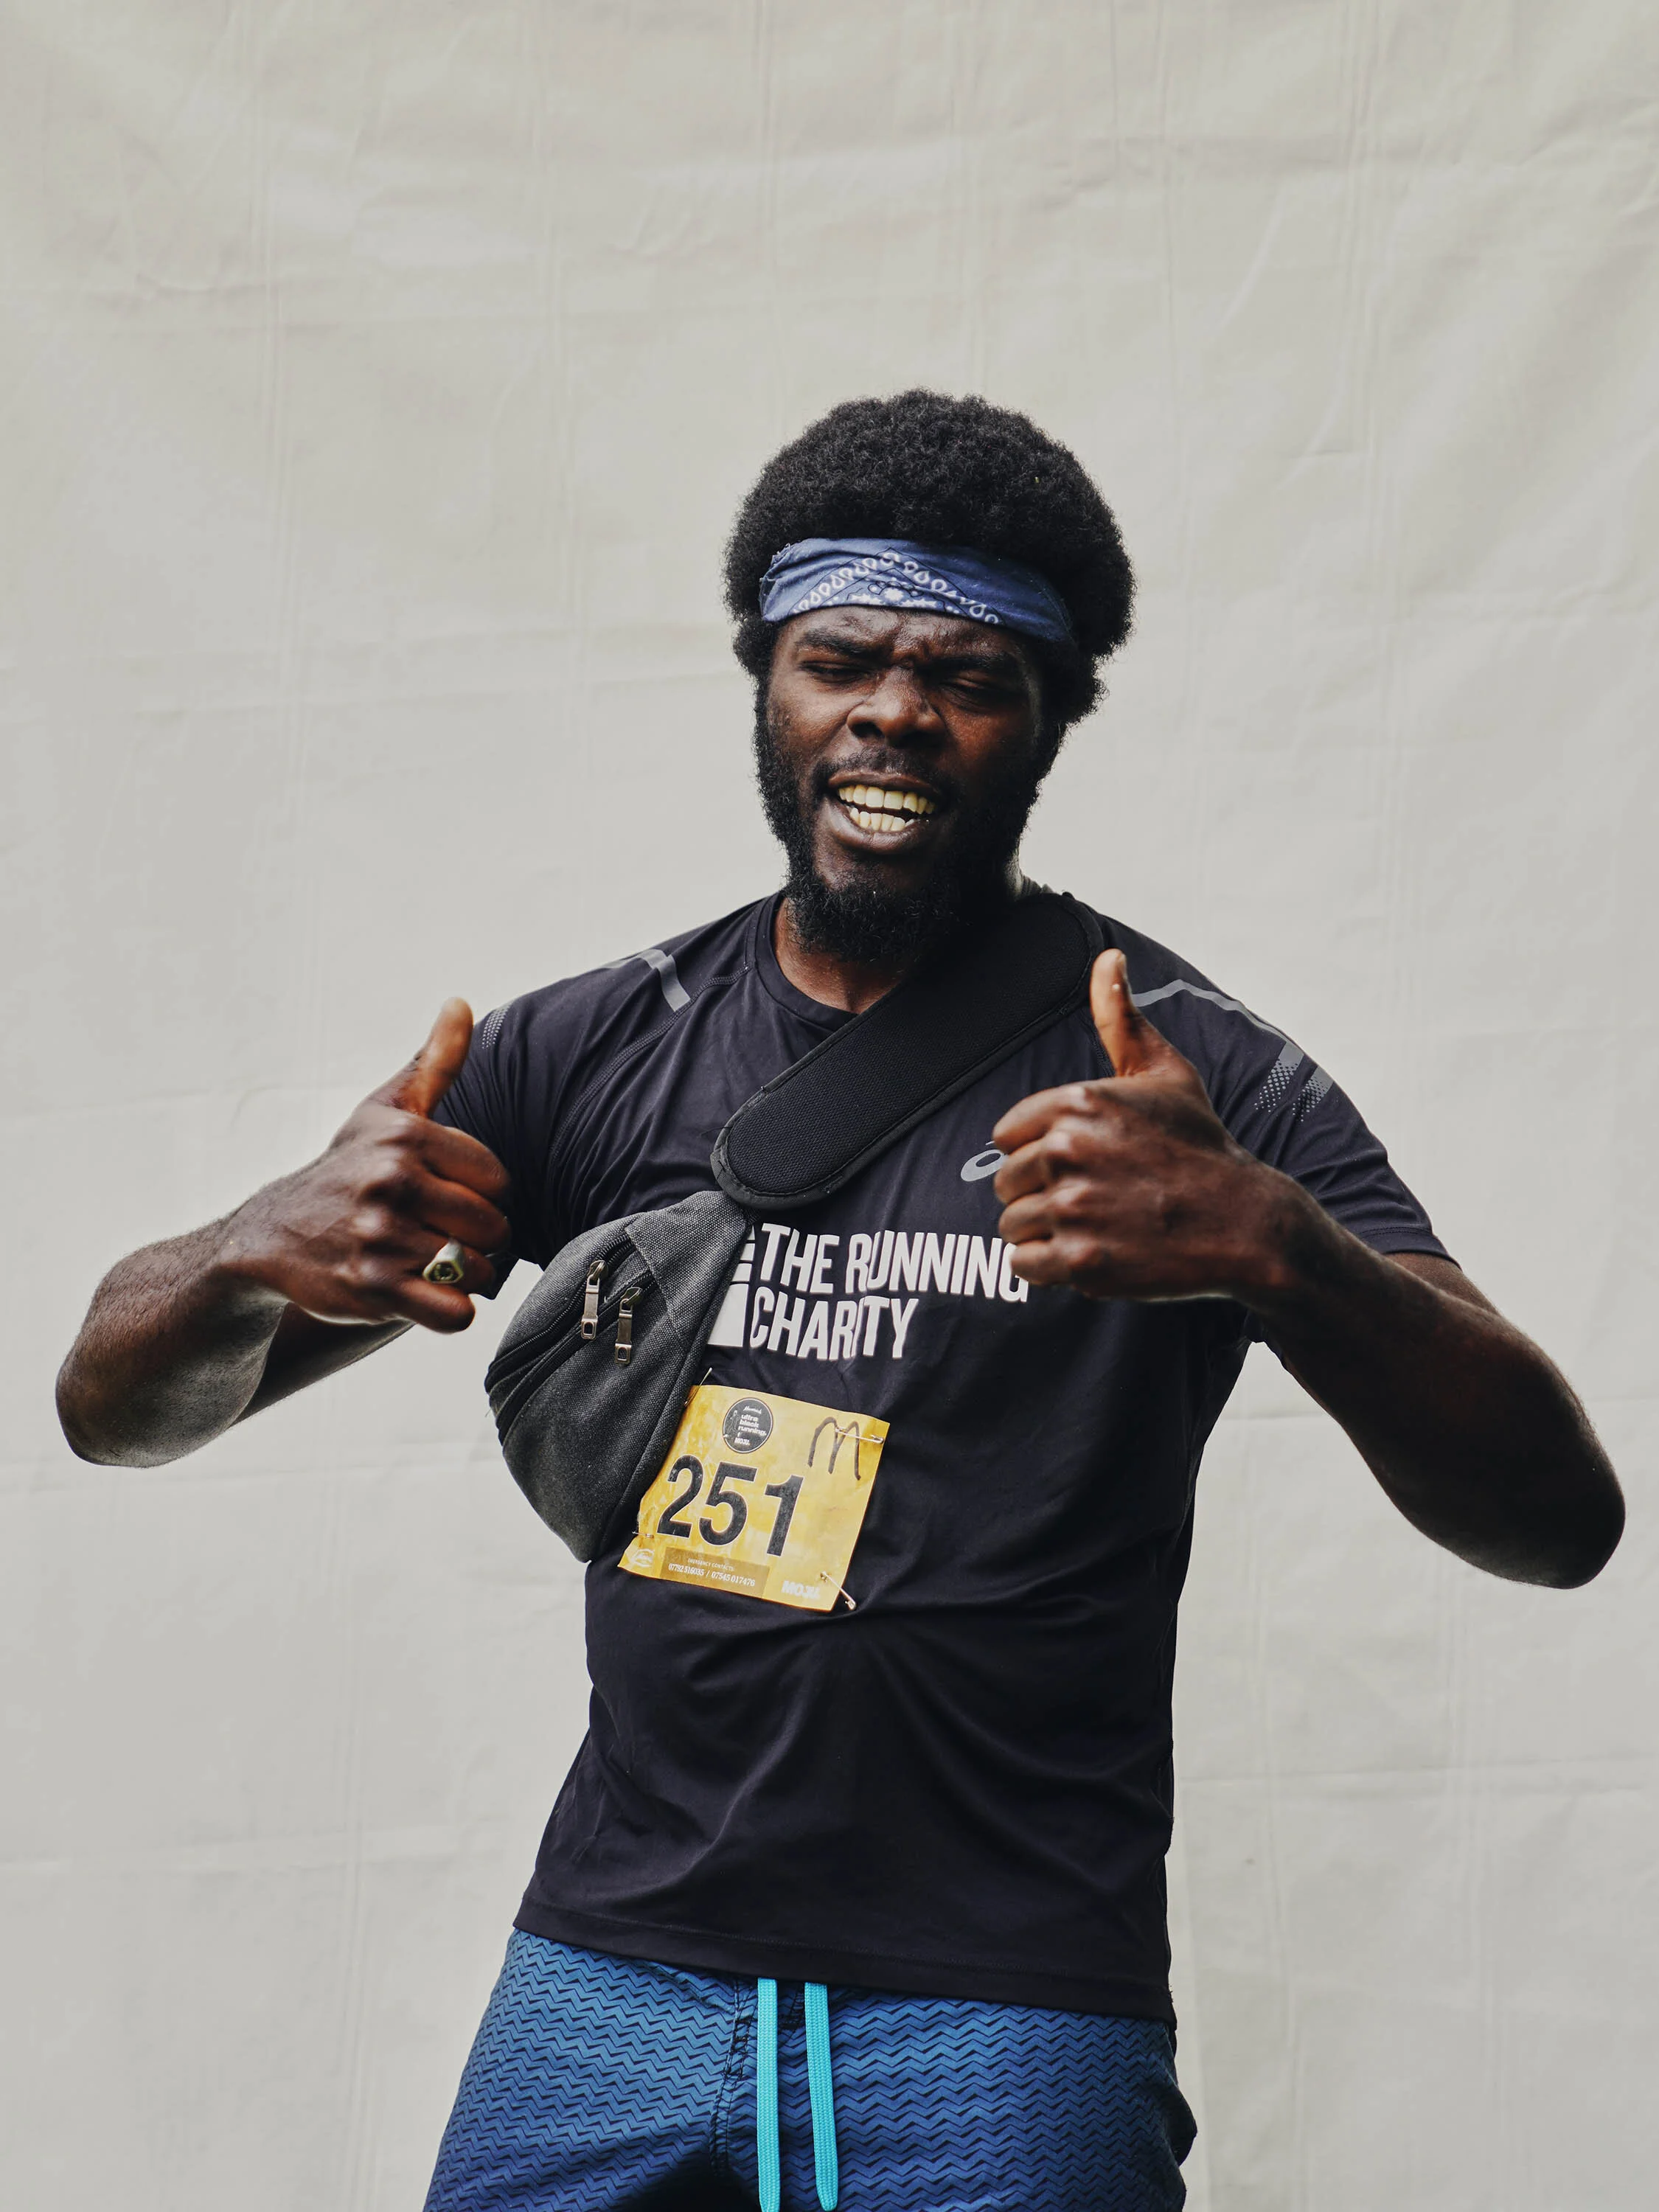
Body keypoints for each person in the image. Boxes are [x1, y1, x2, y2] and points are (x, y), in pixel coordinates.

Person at [57, 391, 1624, 2212]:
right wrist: (254, 1246)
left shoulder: (1188, 1086)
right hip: (607, 1976)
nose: (893, 707)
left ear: (1044, 724)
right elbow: (115, 1414)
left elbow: (1559, 1522)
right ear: (771, 693)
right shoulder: (597, 1050)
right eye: (840, 660)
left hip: (1001, 2003)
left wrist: (1280, 1247)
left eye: (963, 674)